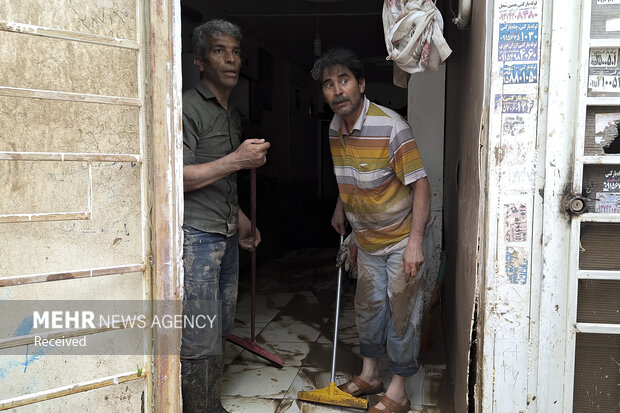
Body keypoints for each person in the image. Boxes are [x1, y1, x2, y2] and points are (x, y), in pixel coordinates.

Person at [312, 48, 432, 413]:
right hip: (365, 241)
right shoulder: (335, 129)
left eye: (344, 80)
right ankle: (370, 375)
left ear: (361, 84)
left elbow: (422, 185)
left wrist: (414, 243)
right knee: (367, 310)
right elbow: (350, 174)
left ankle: (397, 390)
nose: (337, 91)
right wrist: (341, 207)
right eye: (328, 85)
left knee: (401, 316)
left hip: (400, 240)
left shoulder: (393, 128)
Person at [181, 19, 270, 413]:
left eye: (235, 52)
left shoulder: (231, 115)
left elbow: (221, 180)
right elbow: (178, 179)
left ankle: (209, 403)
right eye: (219, 51)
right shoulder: (186, 107)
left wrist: (243, 220)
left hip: (226, 234)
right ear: (200, 61)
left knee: (221, 324)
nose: (231, 59)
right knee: (199, 332)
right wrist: (238, 159)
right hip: (197, 238)